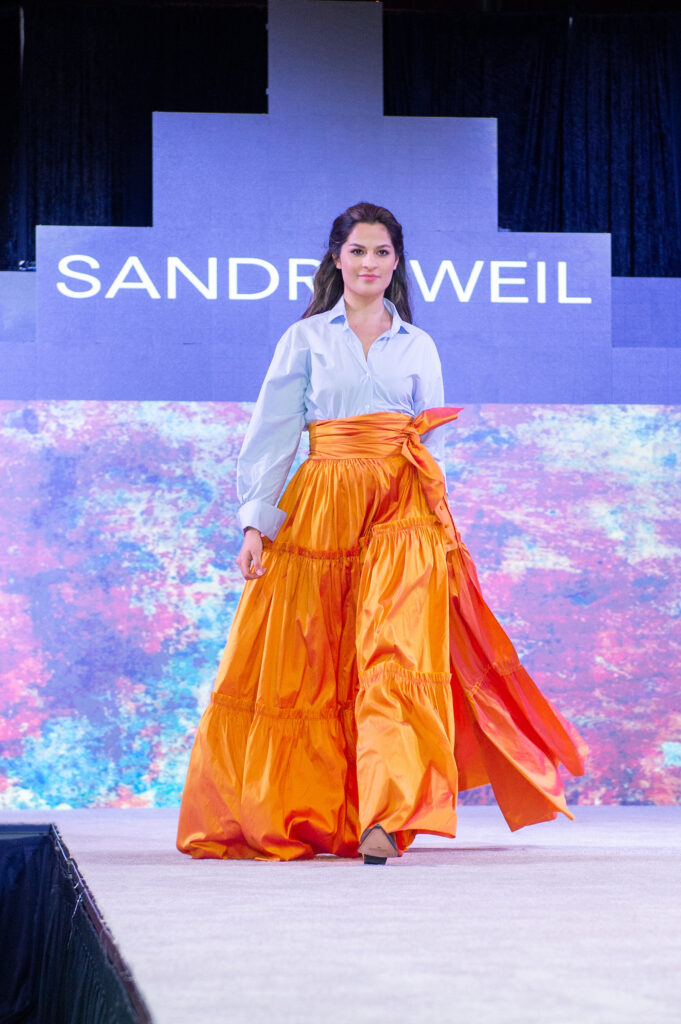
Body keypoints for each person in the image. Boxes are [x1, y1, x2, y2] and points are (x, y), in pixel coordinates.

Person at [176, 201, 588, 865]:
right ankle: (315, 806)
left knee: (394, 659)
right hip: (322, 505)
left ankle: (385, 816)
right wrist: (256, 522)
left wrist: (439, 524)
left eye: (382, 252)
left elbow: (428, 440)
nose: (370, 263)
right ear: (336, 258)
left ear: (396, 264)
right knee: (316, 661)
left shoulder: (417, 344)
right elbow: (273, 433)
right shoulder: (305, 338)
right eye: (358, 251)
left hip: (402, 508)